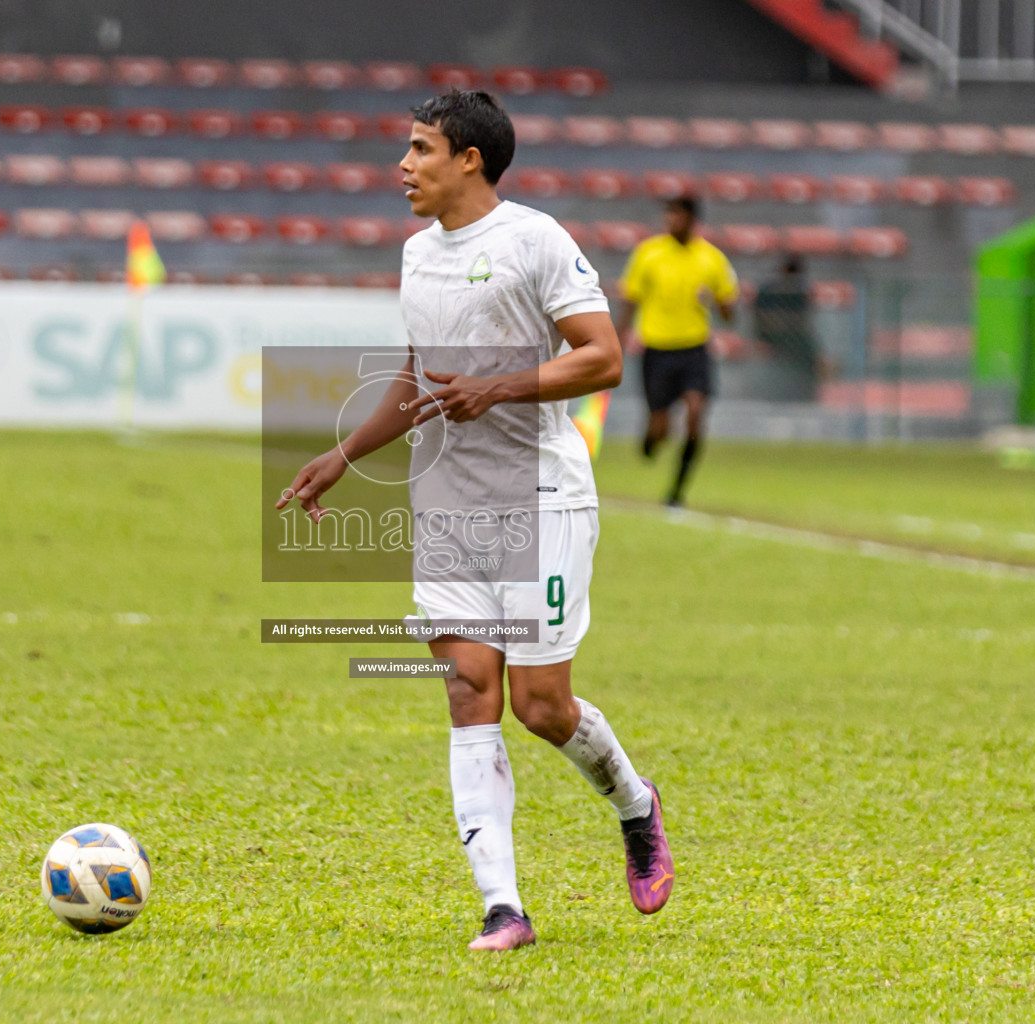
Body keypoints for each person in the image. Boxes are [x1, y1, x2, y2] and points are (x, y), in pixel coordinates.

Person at [276, 89, 673, 952]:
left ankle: (635, 804)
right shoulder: (418, 254)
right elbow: (418, 378)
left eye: (420, 149)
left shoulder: (535, 241)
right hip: (449, 501)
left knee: (540, 705)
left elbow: (602, 357)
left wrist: (498, 386)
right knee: (467, 690)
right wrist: (343, 455)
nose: (403, 166)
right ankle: (504, 909)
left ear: (469, 160)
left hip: (539, 494)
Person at [616, 196, 738, 507]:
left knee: (696, 412)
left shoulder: (711, 259)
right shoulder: (648, 253)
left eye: (676, 217)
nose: (670, 222)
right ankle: (649, 441)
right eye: (667, 216)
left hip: (694, 349)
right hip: (656, 349)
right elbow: (631, 299)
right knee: (660, 427)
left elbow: (729, 312)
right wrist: (618, 339)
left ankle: (677, 492)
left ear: (691, 219)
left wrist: (714, 299)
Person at [753, 255, 818, 402]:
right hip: (768, 335)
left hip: (793, 337)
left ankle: (806, 394)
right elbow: (760, 316)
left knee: (808, 352)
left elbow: (802, 320)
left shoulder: (800, 294)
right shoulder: (768, 291)